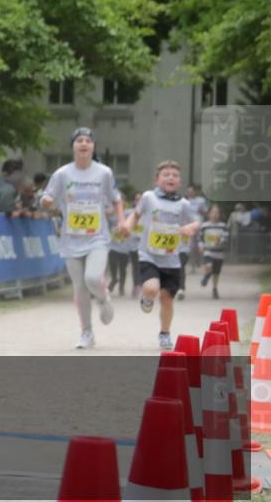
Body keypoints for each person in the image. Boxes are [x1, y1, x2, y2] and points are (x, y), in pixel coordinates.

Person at [40, 128, 122, 350]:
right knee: (80, 287)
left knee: (93, 278)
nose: (84, 144)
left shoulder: (104, 172)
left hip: (97, 236)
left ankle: (104, 298)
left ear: (93, 146)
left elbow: (116, 199)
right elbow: (47, 197)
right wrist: (46, 201)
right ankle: (87, 332)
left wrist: (122, 221)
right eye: (79, 141)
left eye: (88, 141)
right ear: (73, 146)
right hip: (71, 238)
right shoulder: (62, 174)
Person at [119, 161, 200, 350]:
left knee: (167, 299)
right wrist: (128, 226)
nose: (170, 177)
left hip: (172, 259)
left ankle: (164, 333)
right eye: (166, 174)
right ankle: (146, 297)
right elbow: (136, 215)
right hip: (149, 255)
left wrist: (191, 227)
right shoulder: (148, 197)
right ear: (157, 179)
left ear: (179, 182)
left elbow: (196, 222)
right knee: (151, 288)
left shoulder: (183, 204)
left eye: (174, 175)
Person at [199, 204, 229, 300]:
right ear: (209, 214)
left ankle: (214, 288)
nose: (215, 215)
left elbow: (226, 238)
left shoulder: (223, 226)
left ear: (220, 214)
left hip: (219, 253)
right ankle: (207, 276)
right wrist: (200, 246)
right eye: (213, 212)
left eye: (217, 213)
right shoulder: (204, 226)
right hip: (208, 251)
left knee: (216, 273)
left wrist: (220, 241)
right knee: (209, 265)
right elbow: (200, 238)